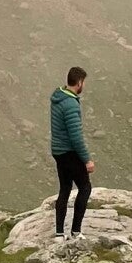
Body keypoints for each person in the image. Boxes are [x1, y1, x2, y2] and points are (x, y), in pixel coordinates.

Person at [49, 66, 93, 236]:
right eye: (84, 83)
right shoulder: (70, 105)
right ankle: (76, 231)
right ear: (80, 82)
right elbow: (76, 137)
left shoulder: (58, 97)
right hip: (69, 152)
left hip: (58, 151)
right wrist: (87, 160)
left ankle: (60, 234)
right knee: (85, 187)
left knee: (65, 189)